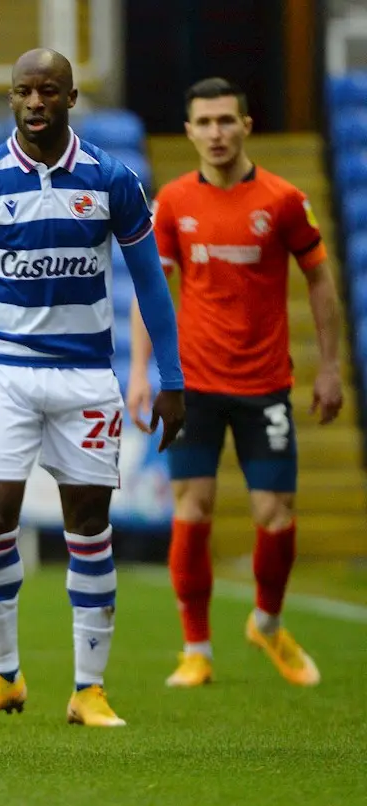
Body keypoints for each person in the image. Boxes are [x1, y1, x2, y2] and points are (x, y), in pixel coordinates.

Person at [0, 49, 186, 728]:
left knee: (89, 526)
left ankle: (88, 690)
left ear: (72, 97)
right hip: (3, 373)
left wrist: (171, 377)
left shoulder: (111, 178)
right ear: (11, 99)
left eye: (49, 90)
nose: (35, 102)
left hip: (86, 376)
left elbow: (151, 282)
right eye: (24, 91)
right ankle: (2, 676)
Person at [127, 77, 339, 689]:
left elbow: (319, 280)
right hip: (193, 385)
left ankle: (267, 623)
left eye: (226, 121)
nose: (215, 133)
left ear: (246, 126)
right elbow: (153, 290)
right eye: (204, 122)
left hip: (265, 383)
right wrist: (140, 371)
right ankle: (196, 649)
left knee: (275, 513)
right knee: (192, 509)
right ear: (189, 131)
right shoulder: (172, 202)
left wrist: (329, 366)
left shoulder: (284, 201)